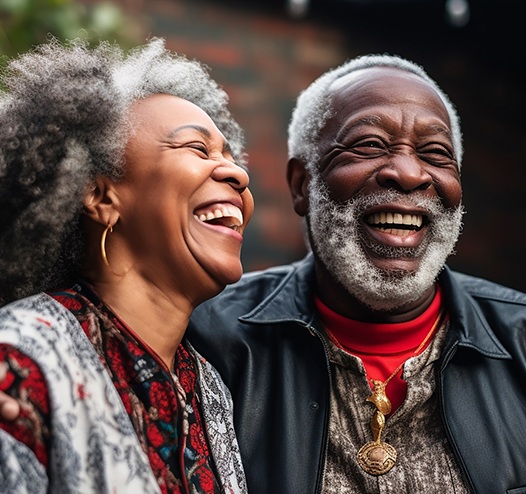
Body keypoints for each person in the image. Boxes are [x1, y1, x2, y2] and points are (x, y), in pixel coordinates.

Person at [185, 54, 526, 493]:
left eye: (435, 153)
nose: (407, 173)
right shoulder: (211, 341)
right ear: (302, 184)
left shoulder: (518, 340)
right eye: (369, 145)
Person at [0, 37, 253, 493]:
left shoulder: (210, 387)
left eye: (230, 157)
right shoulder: (20, 359)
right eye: (197, 148)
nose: (239, 175)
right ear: (100, 197)